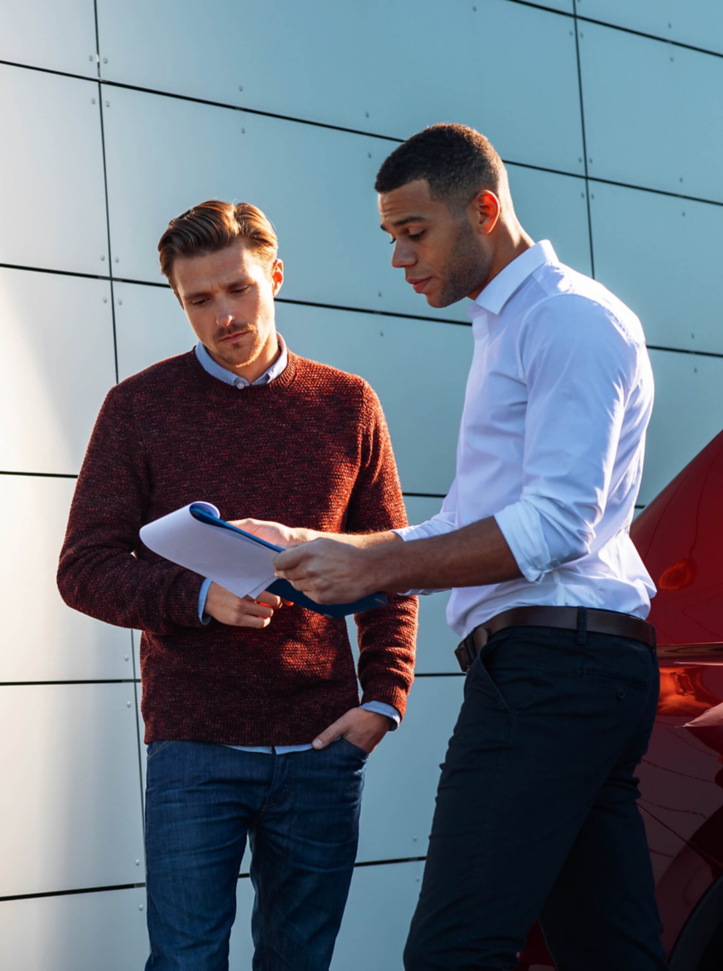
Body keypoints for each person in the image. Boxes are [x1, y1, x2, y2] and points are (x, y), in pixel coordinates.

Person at [242, 125, 669, 970]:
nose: (399, 256)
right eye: (390, 236)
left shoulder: (567, 321)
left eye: (414, 230)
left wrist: (378, 566)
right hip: (571, 669)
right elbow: (469, 522)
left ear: (484, 208)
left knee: (452, 950)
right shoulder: (509, 329)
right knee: (609, 953)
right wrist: (334, 545)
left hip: (554, 669)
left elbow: (556, 525)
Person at [57, 200, 418, 971]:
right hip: (195, 746)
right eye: (200, 300)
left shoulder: (348, 404)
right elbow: (84, 567)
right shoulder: (137, 408)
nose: (225, 315)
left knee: (299, 961)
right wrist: (196, 598)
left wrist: (383, 701)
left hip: (322, 744)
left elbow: (393, 565)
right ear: (180, 302)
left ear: (275, 276)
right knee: (186, 961)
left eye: (240, 289)